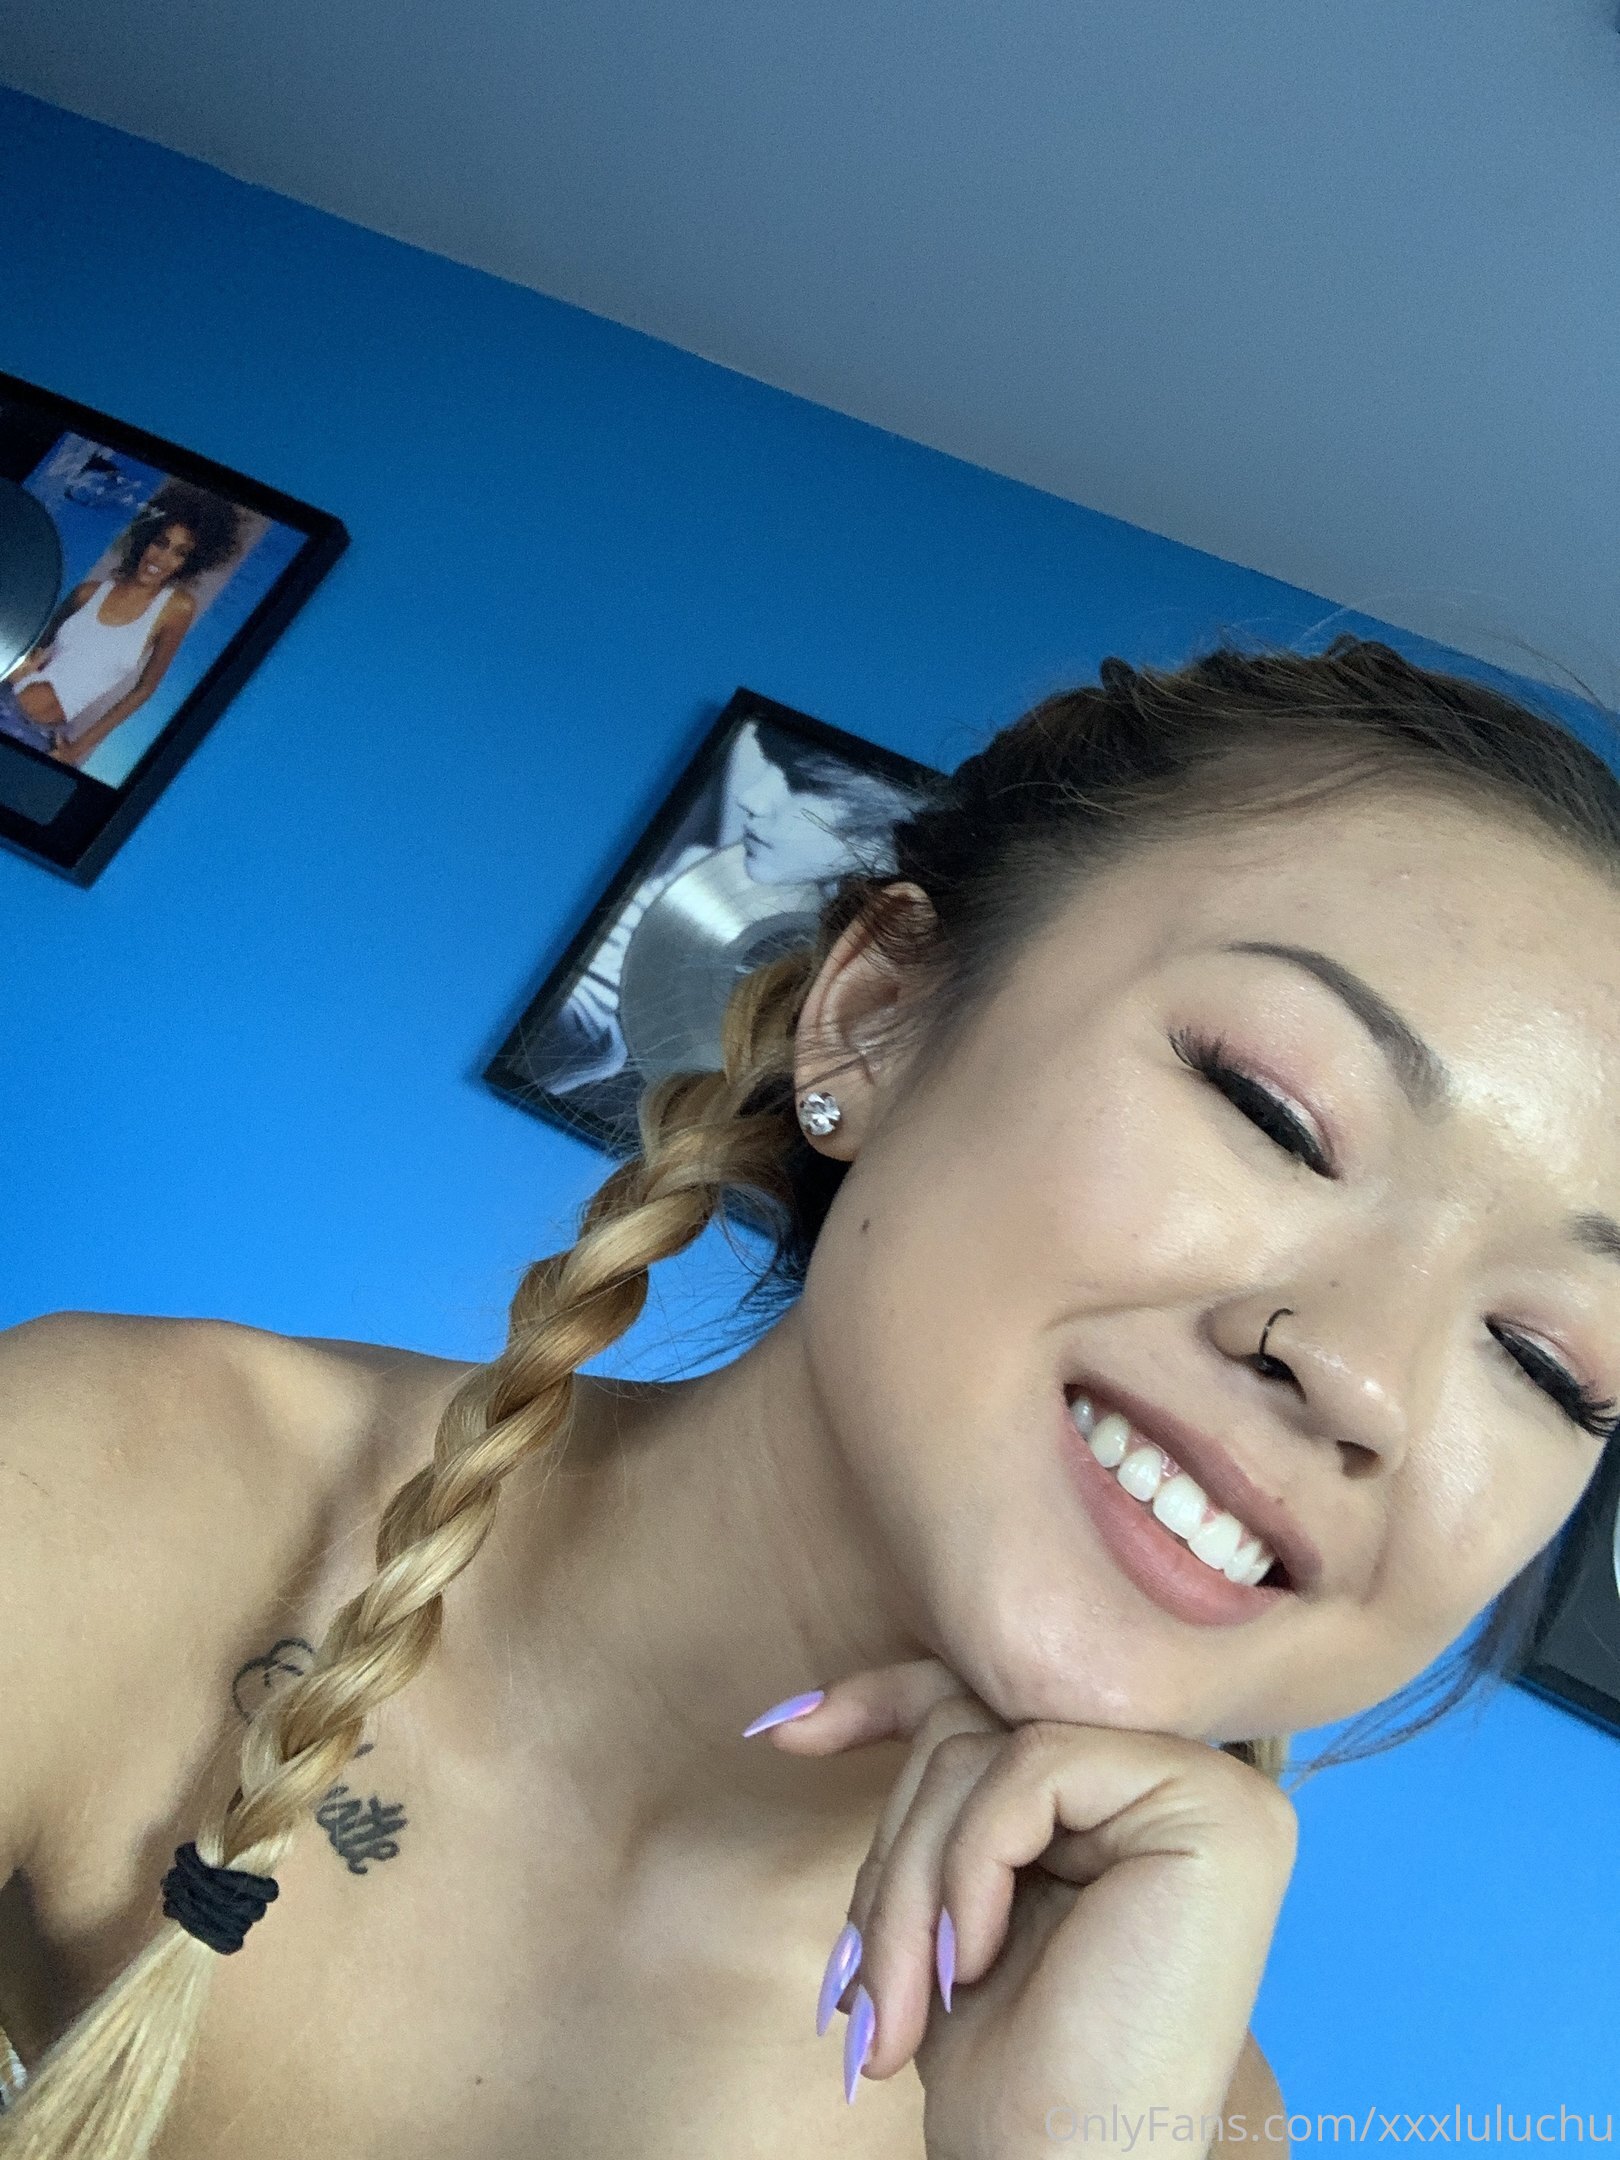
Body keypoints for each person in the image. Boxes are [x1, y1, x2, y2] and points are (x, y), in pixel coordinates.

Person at [1, 636, 1618, 2160]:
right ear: (875, 1018)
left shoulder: (1171, 2107)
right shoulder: (108, 1489)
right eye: (1272, 1109)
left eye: (1552, 1361)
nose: (1363, 1372)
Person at [542, 716, 927, 1106]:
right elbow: (580, 1025)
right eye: (767, 764)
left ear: (891, 822)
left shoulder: (909, 986)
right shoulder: (696, 883)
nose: (752, 799)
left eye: (801, 784)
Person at [0, 483, 240, 771]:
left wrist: (76, 749)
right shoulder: (87, 592)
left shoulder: (177, 608)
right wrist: (22, 667)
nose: (161, 558)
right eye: (160, 543)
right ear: (146, 538)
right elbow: (29, 643)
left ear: (190, 563)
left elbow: (144, 689)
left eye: (180, 553)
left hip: (39, 737)